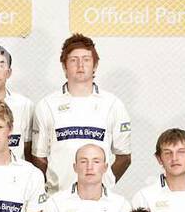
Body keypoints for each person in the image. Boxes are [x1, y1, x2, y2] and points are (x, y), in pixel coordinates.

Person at [31, 33, 131, 193]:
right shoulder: (46, 105)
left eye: (86, 59)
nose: (80, 65)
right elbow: (38, 156)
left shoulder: (113, 104)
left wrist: (105, 184)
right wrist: (52, 187)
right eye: (73, 60)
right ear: (64, 66)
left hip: (99, 199)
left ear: (95, 65)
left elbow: (124, 157)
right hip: (58, 197)